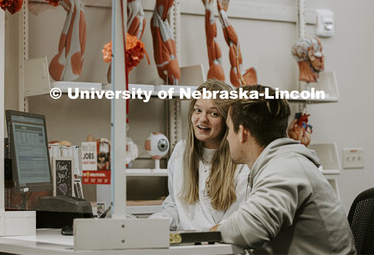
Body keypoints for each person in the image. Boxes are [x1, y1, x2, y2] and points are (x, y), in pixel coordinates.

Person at [214, 85, 356, 254]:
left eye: (229, 129)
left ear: (243, 133)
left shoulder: (285, 168)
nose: (227, 137)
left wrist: (209, 234)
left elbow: (251, 229)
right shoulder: (282, 163)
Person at [150, 80, 249, 230]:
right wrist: (152, 223)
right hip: (190, 248)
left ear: (228, 120)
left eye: (213, 113)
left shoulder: (240, 160)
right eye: (198, 110)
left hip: (223, 248)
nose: (202, 119)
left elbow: (239, 219)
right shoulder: (181, 151)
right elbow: (176, 206)